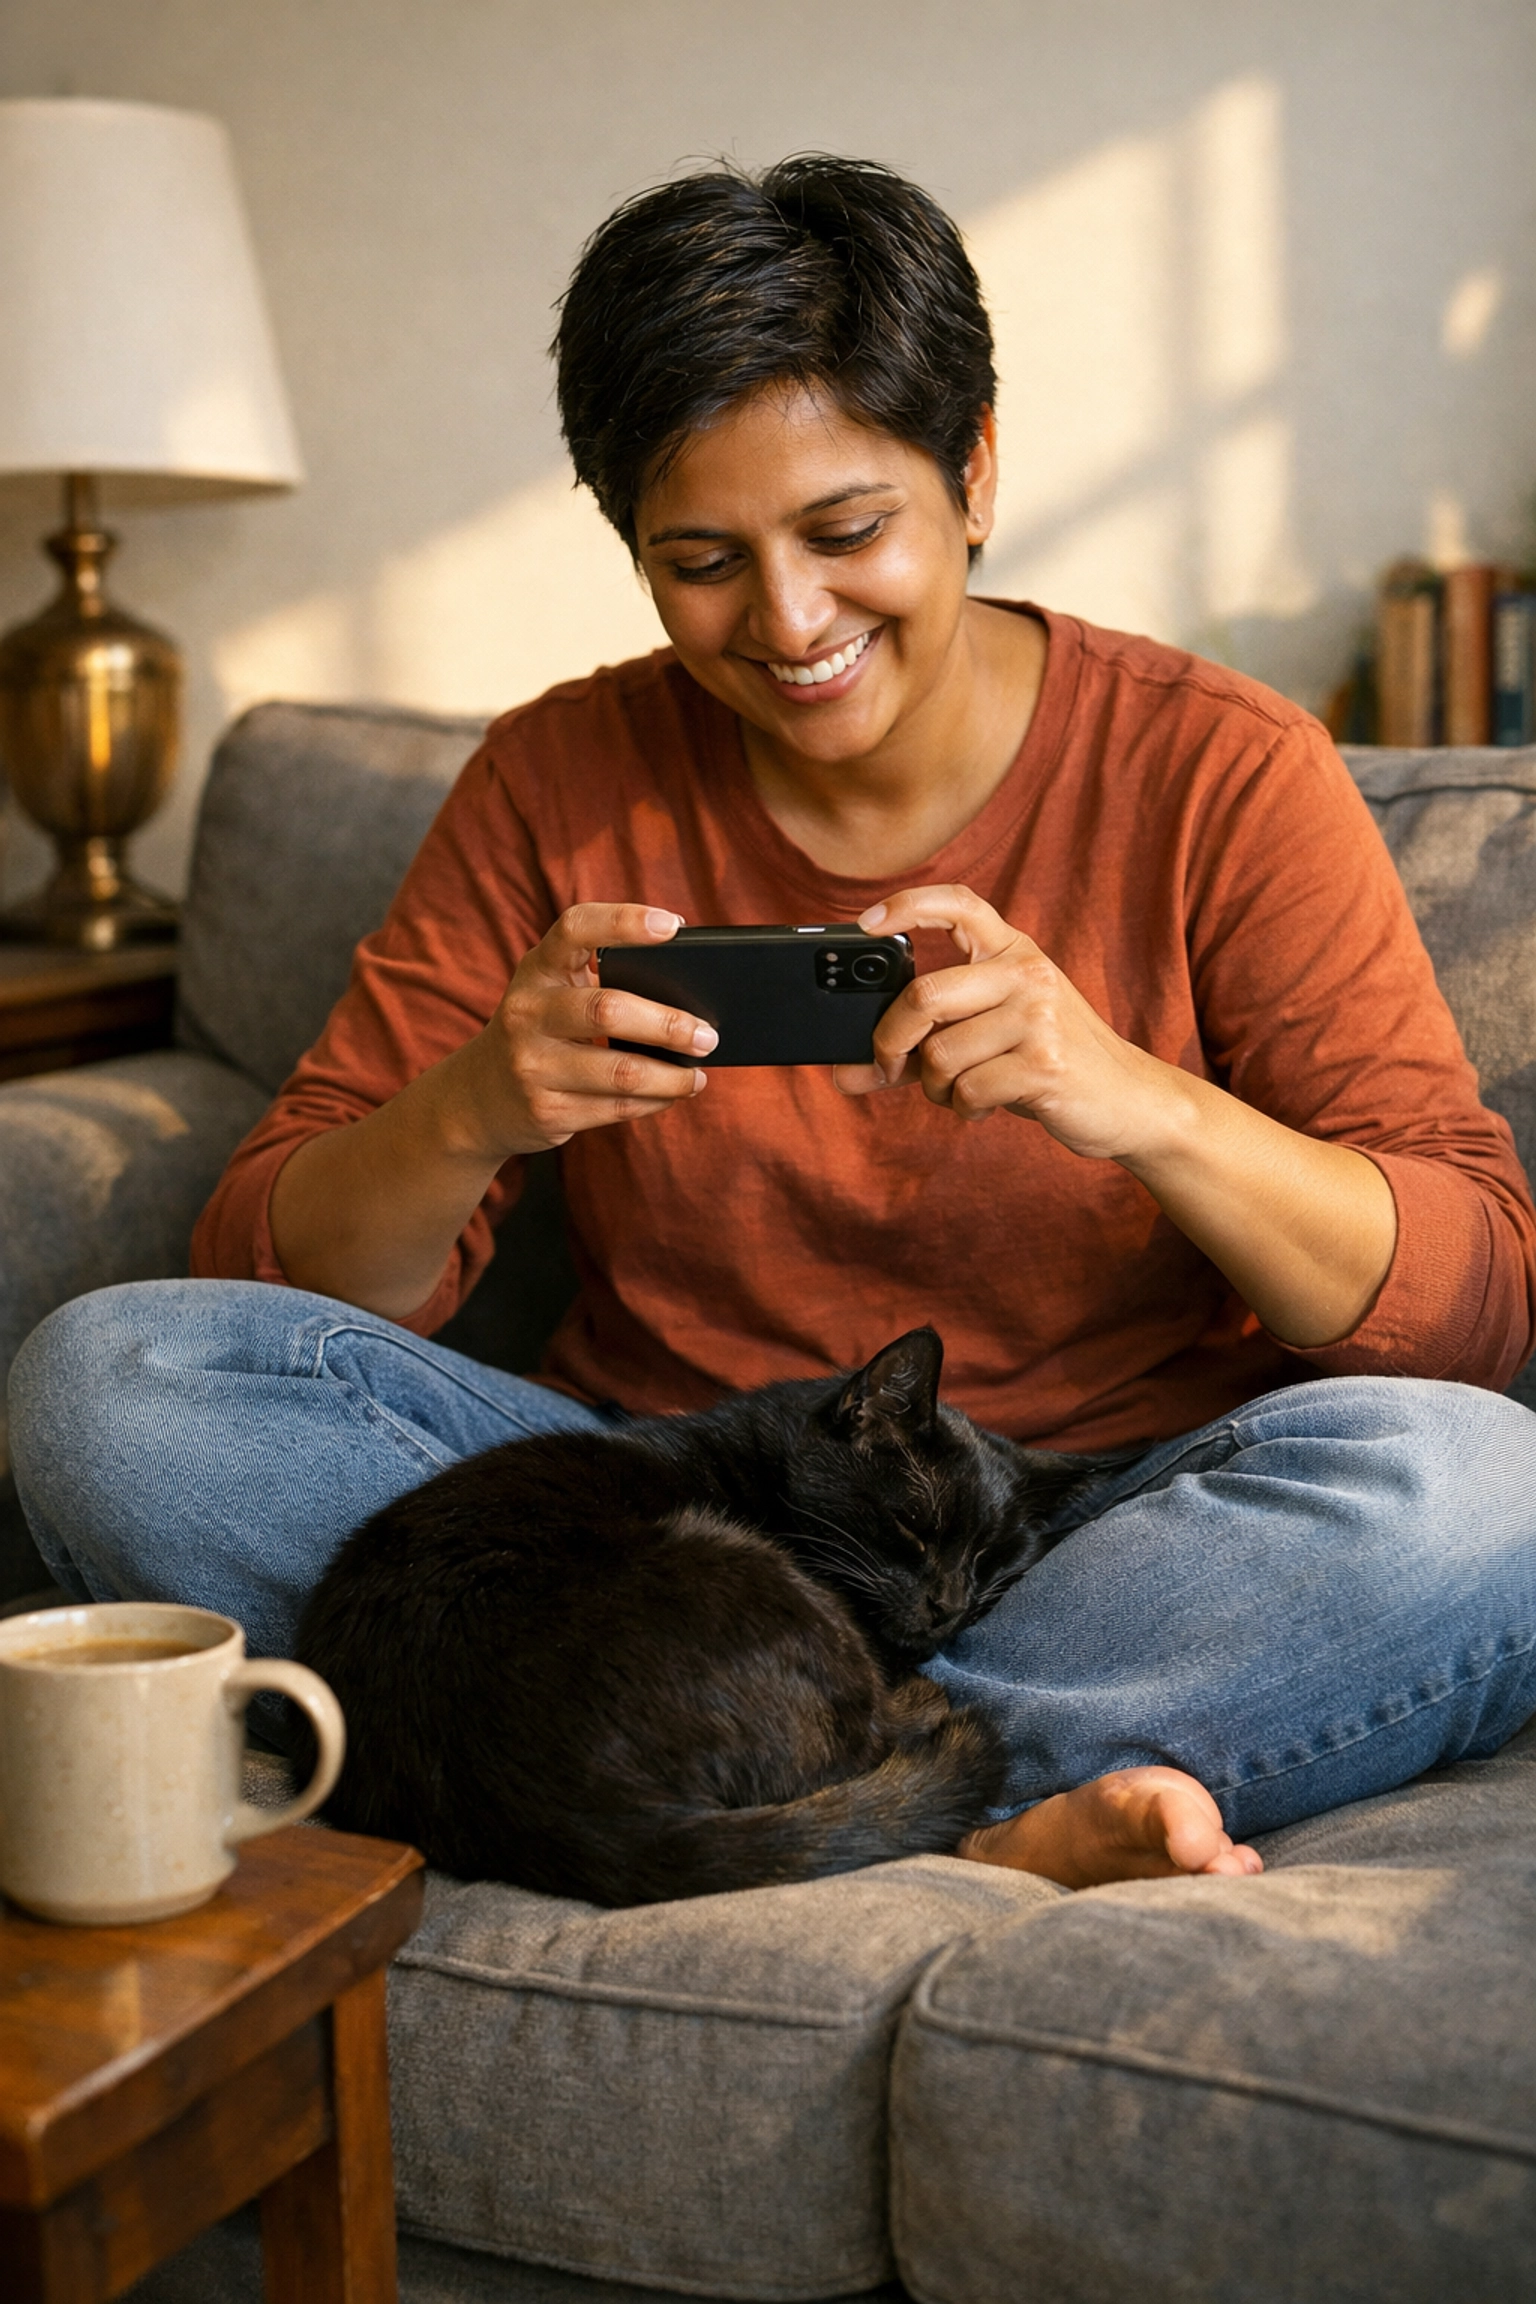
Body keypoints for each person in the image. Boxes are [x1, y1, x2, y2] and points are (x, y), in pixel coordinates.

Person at [12, 157, 1536, 1892]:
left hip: (1089, 1531)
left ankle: (843, 1776)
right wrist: (473, 1108)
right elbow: (260, 1273)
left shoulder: (1222, 770)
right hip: (660, 1529)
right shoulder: (555, 779)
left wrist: (1137, 1103)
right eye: (702, 563)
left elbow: (1470, 1300)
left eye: (845, 532)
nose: (790, 623)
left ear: (970, 473)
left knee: (1478, 1492)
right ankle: (959, 1794)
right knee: (111, 1381)